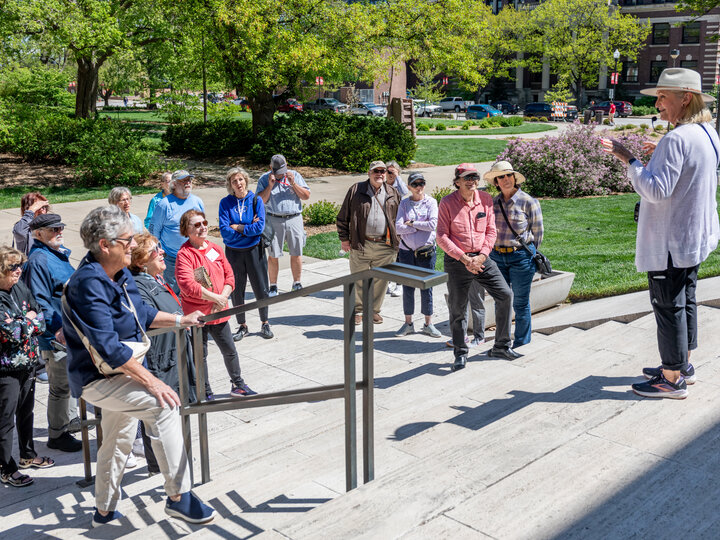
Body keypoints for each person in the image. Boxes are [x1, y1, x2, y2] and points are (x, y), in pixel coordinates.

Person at [62, 205, 215, 527]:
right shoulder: (88, 283)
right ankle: (179, 496)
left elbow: (141, 314)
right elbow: (108, 347)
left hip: (121, 371)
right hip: (100, 378)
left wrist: (179, 319)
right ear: (105, 245)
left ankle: (103, 509)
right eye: (127, 239)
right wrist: (153, 382)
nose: (133, 244)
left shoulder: (119, 273)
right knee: (163, 406)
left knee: (116, 441)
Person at [601, 68, 720, 399]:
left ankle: (671, 380)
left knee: (668, 306)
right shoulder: (708, 134)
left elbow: (656, 190)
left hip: (670, 242)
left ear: (685, 98)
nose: (658, 105)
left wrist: (629, 158)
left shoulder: (677, 139)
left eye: (663, 97)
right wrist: (662, 151)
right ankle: (682, 365)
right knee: (686, 301)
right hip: (695, 237)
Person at [436, 163, 518, 372]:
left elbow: (491, 231)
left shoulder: (486, 200)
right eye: (467, 178)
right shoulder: (447, 203)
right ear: (457, 182)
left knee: (505, 294)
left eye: (474, 177)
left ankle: (501, 345)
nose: (471, 181)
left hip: (481, 258)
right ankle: (460, 353)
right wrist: (464, 259)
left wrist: (482, 257)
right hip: (457, 260)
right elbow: (442, 236)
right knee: (458, 308)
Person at [129, 233, 198, 474]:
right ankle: (158, 464)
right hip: (160, 356)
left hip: (176, 350)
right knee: (160, 410)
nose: (161, 252)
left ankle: (175, 455)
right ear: (140, 261)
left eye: (159, 247)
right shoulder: (136, 283)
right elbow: (147, 316)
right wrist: (180, 319)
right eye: (154, 250)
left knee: (175, 407)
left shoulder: (155, 278)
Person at [175, 210, 256, 398]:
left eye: (204, 222)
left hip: (219, 312)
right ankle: (205, 391)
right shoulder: (184, 254)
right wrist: (216, 298)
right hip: (198, 316)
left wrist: (223, 298)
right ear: (186, 229)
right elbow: (187, 285)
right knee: (200, 356)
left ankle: (238, 384)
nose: (202, 227)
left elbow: (230, 275)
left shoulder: (214, 248)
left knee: (230, 351)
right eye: (196, 225)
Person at [22, 213, 83, 453]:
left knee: (69, 382)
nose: (59, 231)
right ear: (38, 234)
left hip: (70, 331)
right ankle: (57, 434)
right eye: (53, 229)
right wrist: (57, 329)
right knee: (59, 386)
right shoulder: (39, 260)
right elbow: (39, 302)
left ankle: (69, 421)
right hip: (56, 336)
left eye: (60, 226)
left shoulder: (57, 254)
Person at [0, 245, 53, 488]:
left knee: (26, 412)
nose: (19, 271)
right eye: (12, 267)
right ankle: (6, 468)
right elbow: (10, 333)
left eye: (20, 265)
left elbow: (40, 320)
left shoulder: (20, 287)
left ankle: (27, 455)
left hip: (28, 363)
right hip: (6, 370)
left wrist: (25, 321)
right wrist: (27, 320)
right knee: (5, 419)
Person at [485, 161, 544, 349]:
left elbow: (538, 234)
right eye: (500, 177)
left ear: (514, 178)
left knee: (520, 302)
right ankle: (501, 342)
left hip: (521, 258)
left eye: (508, 175)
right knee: (501, 301)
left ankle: (521, 343)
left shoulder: (528, 202)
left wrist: (526, 252)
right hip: (497, 257)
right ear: (496, 182)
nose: (505, 179)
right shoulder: (492, 203)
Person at [337, 160, 400, 325]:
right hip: (361, 243)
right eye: (376, 171)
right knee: (358, 278)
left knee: (381, 280)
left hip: (385, 245)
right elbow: (343, 216)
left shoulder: (393, 192)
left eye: (382, 171)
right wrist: (344, 239)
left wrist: (398, 241)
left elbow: (399, 219)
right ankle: (358, 311)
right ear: (369, 173)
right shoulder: (356, 190)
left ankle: (373, 311)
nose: (379, 174)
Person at [219, 167, 273, 341]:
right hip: (234, 252)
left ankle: (265, 322)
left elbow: (259, 228)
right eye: (234, 181)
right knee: (237, 290)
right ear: (230, 185)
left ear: (246, 181)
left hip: (254, 250)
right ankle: (242, 325)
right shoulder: (225, 203)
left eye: (241, 179)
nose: (238, 183)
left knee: (261, 288)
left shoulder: (256, 200)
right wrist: (247, 229)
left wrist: (239, 227)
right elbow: (225, 231)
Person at [393, 172, 441, 338]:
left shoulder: (431, 202)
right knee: (407, 286)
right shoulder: (404, 203)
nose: (419, 187)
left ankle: (428, 323)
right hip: (406, 251)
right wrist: (418, 227)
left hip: (426, 251)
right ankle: (408, 323)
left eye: (421, 183)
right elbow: (398, 227)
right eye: (415, 184)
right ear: (409, 187)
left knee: (426, 286)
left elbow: (433, 224)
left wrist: (412, 223)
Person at [256, 154, 310, 295]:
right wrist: (270, 185)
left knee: (296, 252)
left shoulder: (295, 175)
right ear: (271, 168)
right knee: (273, 254)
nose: (281, 174)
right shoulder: (264, 179)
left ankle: (297, 283)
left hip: (294, 218)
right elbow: (260, 201)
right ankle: (273, 286)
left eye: (282, 171)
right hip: (273, 219)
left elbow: (306, 196)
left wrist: (293, 183)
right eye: (277, 172)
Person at [148, 170, 205, 293]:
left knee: (195, 291)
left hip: (195, 256)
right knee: (173, 294)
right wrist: (158, 254)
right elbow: (154, 232)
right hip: (173, 259)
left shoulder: (197, 202)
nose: (188, 182)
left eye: (189, 179)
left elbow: (202, 228)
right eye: (183, 180)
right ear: (174, 184)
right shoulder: (164, 205)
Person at [385, 161, 408, 298]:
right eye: (388, 171)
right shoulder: (381, 185)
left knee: (399, 254)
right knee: (385, 253)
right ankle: (388, 280)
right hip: (384, 225)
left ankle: (400, 284)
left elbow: (405, 193)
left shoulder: (399, 186)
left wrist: (397, 177)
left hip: (397, 224)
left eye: (392, 172)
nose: (390, 174)